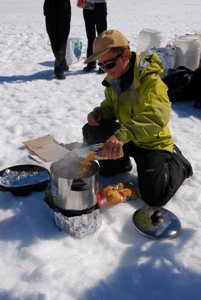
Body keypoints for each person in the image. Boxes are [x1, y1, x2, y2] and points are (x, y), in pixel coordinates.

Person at [82, 29, 193, 207]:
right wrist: (99, 114)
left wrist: (121, 135)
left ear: (125, 54)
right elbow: (110, 107)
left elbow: (158, 116)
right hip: (129, 138)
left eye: (108, 64)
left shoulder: (150, 81)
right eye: (101, 66)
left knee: (155, 197)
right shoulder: (114, 80)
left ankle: (179, 161)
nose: (105, 70)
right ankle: (120, 165)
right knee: (92, 130)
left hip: (152, 143)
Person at [43, 0, 71, 80]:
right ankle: (62, 62)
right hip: (50, 11)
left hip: (64, 12)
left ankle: (59, 69)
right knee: (54, 40)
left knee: (62, 40)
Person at [83, 0, 107, 73]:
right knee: (90, 37)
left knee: (101, 37)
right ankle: (91, 63)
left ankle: (103, 63)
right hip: (87, 4)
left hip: (100, 4)